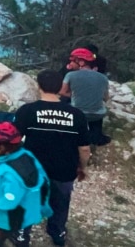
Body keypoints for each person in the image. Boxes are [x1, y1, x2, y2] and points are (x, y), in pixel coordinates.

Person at [14, 69, 91, 247]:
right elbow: (85, 148)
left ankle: (22, 235)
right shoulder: (76, 115)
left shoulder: (27, 111)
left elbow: (14, 140)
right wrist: (82, 167)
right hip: (64, 169)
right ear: (60, 88)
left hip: (33, 168)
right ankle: (58, 233)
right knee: (61, 202)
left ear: (38, 86)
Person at [60, 48, 112, 147]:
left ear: (81, 62)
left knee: (63, 102)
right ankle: (96, 137)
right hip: (97, 115)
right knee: (97, 110)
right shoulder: (103, 78)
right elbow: (105, 98)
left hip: (78, 114)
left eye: (72, 61)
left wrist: (74, 94)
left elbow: (62, 92)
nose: (70, 63)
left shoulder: (70, 75)